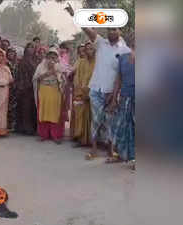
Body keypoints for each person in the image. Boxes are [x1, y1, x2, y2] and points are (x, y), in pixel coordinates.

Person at [65, 4, 131, 160]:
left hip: (111, 92)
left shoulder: (125, 50)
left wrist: (115, 96)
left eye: (114, 29)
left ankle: (111, 151)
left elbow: (122, 75)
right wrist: (75, 15)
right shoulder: (101, 43)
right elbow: (87, 30)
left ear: (119, 30)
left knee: (110, 122)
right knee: (96, 120)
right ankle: (93, 150)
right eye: (109, 29)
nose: (111, 32)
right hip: (95, 90)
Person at [106, 36, 135, 169]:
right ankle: (121, 155)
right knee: (120, 127)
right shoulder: (122, 58)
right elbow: (118, 79)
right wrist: (114, 99)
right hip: (125, 98)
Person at [33, 47, 65, 144]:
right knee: (44, 112)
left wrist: (55, 71)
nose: (52, 58)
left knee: (55, 112)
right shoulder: (41, 66)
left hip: (55, 91)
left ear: (56, 57)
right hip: (44, 90)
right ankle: (44, 134)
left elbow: (63, 80)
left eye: (54, 56)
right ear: (46, 56)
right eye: (50, 55)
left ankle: (55, 135)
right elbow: (36, 79)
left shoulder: (59, 66)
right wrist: (48, 72)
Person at [71, 42, 96, 147]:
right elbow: (77, 79)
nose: (88, 51)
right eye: (87, 49)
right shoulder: (81, 62)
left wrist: (91, 91)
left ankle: (94, 141)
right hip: (82, 93)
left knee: (93, 118)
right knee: (81, 117)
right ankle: (82, 140)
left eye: (91, 49)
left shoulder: (98, 62)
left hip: (95, 93)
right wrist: (82, 92)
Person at [16, 42, 38, 135]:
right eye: (29, 47)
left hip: (33, 87)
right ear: (26, 49)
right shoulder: (22, 61)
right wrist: (23, 86)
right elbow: (20, 75)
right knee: (25, 108)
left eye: (33, 47)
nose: (31, 49)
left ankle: (32, 127)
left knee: (32, 108)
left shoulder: (35, 60)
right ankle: (25, 128)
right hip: (25, 87)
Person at [6, 48, 19, 131]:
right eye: (10, 52)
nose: (11, 54)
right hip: (8, 86)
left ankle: (14, 125)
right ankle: (8, 124)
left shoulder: (17, 63)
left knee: (15, 106)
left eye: (13, 52)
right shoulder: (5, 63)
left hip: (16, 87)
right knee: (8, 106)